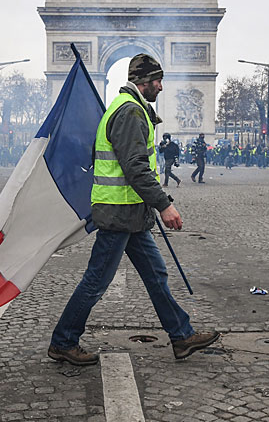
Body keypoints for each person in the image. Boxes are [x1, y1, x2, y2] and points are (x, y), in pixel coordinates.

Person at [48, 53, 219, 366]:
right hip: (119, 213)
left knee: (156, 276)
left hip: (130, 213)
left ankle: (181, 336)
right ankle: (63, 341)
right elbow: (135, 168)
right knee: (96, 281)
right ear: (143, 81)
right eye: (158, 81)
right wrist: (164, 204)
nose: (163, 87)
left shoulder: (132, 108)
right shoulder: (130, 113)